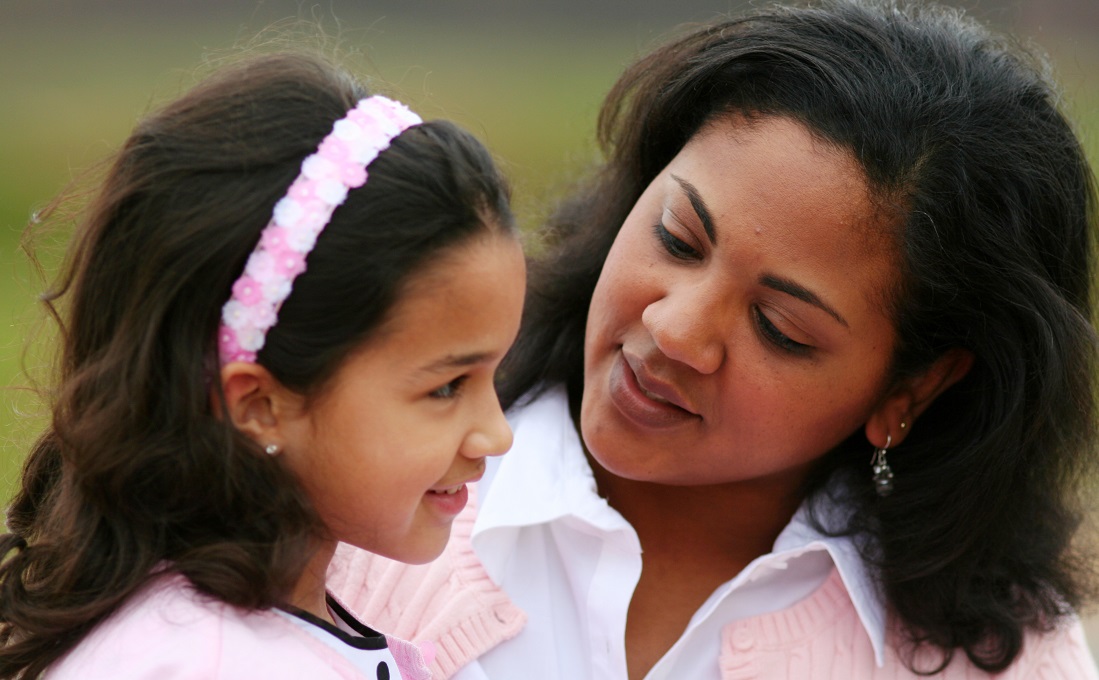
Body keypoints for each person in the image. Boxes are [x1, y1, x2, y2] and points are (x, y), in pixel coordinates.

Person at [327, 1, 1099, 678]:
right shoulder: (333, 483)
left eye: (779, 328)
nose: (674, 329)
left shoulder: (996, 662)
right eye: (677, 238)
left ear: (913, 387)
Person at [0, 51, 526, 679]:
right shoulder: (199, 663)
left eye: (493, 374)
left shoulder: (274, 633)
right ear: (258, 405)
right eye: (446, 387)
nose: (497, 434)